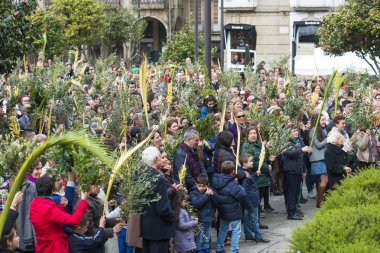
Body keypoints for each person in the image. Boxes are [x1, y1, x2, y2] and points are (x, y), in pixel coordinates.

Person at [29, 175, 89, 253]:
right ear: (51, 190)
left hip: (42, 245)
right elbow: (74, 220)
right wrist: (83, 200)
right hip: (54, 247)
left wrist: (61, 206)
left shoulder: (34, 203)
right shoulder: (49, 208)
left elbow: (45, 218)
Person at [140, 147, 175, 253]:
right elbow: (163, 208)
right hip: (159, 229)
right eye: (160, 157)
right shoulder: (158, 179)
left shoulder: (141, 175)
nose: (162, 159)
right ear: (156, 159)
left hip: (146, 227)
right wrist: (172, 216)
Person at [241, 127, 276, 217]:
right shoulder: (246, 146)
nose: (253, 135)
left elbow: (264, 158)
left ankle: (258, 215)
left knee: (261, 196)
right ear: (247, 135)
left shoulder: (260, 145)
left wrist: (269, 159)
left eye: (255, 133)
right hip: (255, 175)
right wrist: (266, 167)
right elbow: (251, 162)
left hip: (263, 176)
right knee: (256, 198)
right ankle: (255, 218)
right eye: (251, 133)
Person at [213, 161, 246, 253]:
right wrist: (239, 186)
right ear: (232, 171)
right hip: (234, 210)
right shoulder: (233, 183)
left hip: (222, 210)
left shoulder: (216, 180)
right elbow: (242, 195)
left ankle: (219, 248)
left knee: (223, 229)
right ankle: (234, 250)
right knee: (236, 231)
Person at [281, 125, 312, 220]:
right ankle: (291, 213)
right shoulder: (286, 142)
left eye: (296, 131)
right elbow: (289, 153)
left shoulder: (299, 140)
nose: (296, 133)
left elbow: (302, 155)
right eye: (294, 131)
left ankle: (294, 210)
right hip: (290, 171)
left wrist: (307, 150)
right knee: (291, 192)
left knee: (296, 192)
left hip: (298, 170)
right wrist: (301, 150)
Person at [239, 154, 269, 243]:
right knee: (255, 219)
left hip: (249, 201)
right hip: (251, 201)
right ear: (244, 163)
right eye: (251, 161)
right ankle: (258, 236)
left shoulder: (246, 173)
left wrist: (255, 175)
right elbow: (246, 190)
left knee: (247, 218)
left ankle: (248, 235)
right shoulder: (245, 175)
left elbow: (250, 181)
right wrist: (250, 203)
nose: (253, 163)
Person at [16, 160, 42, 253]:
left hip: (22, 227)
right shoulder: (31, 185)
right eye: (37, 169)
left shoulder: (24, 183)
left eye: (41, 168)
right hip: (29, 229)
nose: (40, 171)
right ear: (30, 170)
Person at [189, 174, 215, 253]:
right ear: (196, 184)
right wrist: (206, 195)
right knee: (199, 240)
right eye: (199, 186)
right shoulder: (193, 193)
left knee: (206, 239)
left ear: (208, 185)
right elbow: (196, 204)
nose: (201, 188)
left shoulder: (210, 191)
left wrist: (213, 195)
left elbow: (217, 203)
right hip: (199, 220)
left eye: (203, 186)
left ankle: (206, 250)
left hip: (209, 219)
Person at [309, 115, 328, 208]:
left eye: (325, 119)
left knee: (323, 181)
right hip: (318, 159)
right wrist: (328, 139)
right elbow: (318, 145)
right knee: (324, 180)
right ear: (317, 121)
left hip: (324, 158)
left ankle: (321, 200)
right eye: (323, 119)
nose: (325, 121)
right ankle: (320, 202)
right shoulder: (313, 130)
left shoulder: (324, 130)